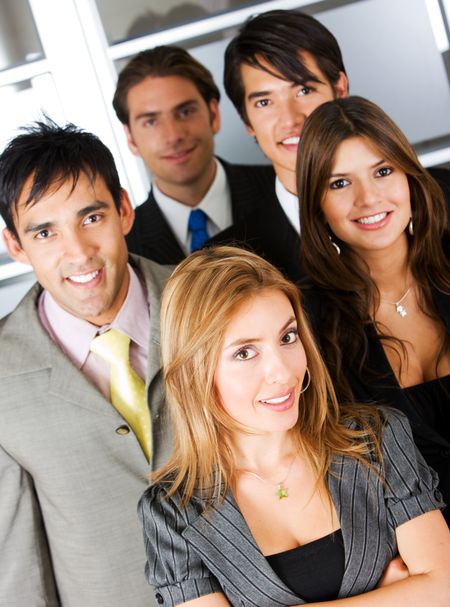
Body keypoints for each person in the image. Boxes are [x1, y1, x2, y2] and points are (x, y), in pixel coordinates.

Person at [139, 245, 449, 607]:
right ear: (196, 371)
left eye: (287, 338)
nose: (283, 372)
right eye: (245, 352)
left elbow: (442, 589)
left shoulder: (376, 438)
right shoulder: (172, 512)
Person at [0, 121, 172, 607]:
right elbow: (18, 566)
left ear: (123, 209)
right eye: (45, 231)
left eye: (91, 218)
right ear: (16, 245)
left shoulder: (214, 306)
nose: (77, 252)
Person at [296, 96, 450, 525]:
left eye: (383, 171)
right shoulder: (309, 322)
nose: (368, 198)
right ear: (317, 205)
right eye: (340, 183)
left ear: (408, 177)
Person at [223, 9, 450, 282]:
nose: (291, 120)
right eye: (264, 102)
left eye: (304, 91)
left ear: (340, 89)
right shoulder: (233, 263)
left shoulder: (444, 196)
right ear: (247, 122)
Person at [112, 45, 276, 265]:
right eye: (151, 121)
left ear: (214, 114)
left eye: (185, 112)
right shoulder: (123, 247)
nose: (173, 136)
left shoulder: (284, 189)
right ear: (130, 137)